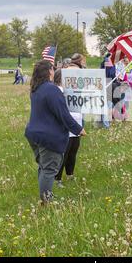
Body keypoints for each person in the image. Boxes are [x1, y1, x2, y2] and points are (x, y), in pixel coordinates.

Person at [25, 60, 86, 204]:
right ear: (49, 72)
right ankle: (47, 200)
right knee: (49, 169)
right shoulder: (51, 89)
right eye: (53, 69)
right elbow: (63, 114)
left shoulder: (36, 88)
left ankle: (46, 196)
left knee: (44, 166)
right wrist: (78, 129)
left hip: (34, 133)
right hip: (48, 136)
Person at [53, 69, 83, 188]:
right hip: (66, 127)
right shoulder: (57, 91)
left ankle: (70, 174)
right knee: (64, 154)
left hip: (76, 124)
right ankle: (57, 178)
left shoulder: (73, 89)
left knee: (73, 152)